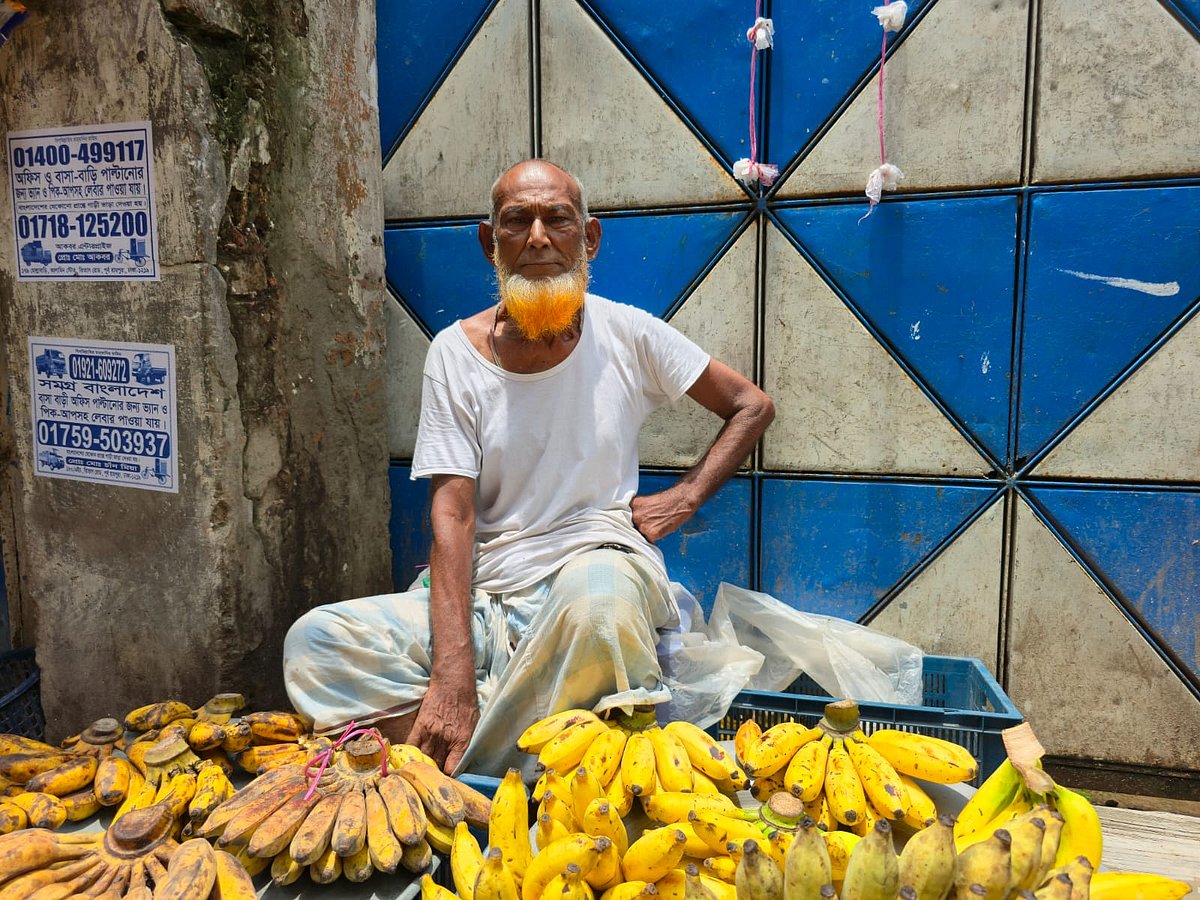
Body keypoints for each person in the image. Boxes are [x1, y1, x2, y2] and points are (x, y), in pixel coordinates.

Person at [283, 159, 774, 776]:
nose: (538, 237)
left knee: (600, 607)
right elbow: (453, 514)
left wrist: (686, 496)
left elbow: (750, 405)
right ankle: (537, 748)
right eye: (517, 221)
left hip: (595, 570)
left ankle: (456, 759)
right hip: (490, 595)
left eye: (557, 220)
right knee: (313, 645)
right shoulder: (454, 355)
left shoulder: (627, 333)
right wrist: (453, 665)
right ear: (492, 243)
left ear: (588, 238)